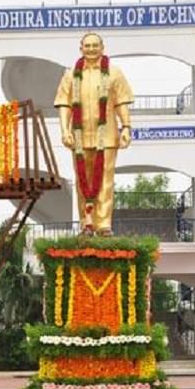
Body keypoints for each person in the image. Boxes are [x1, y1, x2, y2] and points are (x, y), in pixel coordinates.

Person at [54, 32, 134, 236]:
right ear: (81, 48)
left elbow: (121, 102)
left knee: (106, 180)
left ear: (102, 47)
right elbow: (64, 104)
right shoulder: (71, 74)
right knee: (83, 181)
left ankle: (104, 224)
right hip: (79, 137)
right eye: (87, 46)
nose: (91, 49)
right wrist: (64, 130)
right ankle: (86, 223)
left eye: (95, 45)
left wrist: (126, 127)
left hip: (106, 136)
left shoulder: (114, 73)